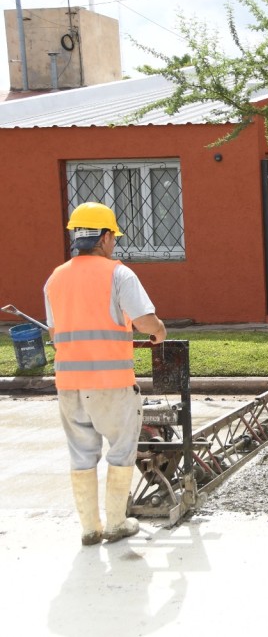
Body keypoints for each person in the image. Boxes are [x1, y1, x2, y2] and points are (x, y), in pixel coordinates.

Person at [44, 202, 168, 545]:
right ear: (105, 236)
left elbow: (56, 335)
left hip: (69, 385)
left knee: (81, 453)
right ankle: (115, 524)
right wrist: (159, 332)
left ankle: (89, 528)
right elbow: (144, 321)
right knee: (121, 450)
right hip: (111, 383)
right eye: (113, 236)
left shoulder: (55, 277)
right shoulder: (118, 273)